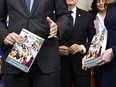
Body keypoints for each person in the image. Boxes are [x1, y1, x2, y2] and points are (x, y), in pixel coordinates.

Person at [0, 0, 70, 87]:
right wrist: (4, 35)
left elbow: (64, 15)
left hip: (47, 58)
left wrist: (58, 27)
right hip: (15, 56)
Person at [59, 0, 95, 87]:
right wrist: (57, 49)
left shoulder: (87, 16)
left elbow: (94, 41)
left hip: (81, 67)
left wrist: (82, 47)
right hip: (60, 67)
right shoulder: (55, 16)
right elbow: (48, 40)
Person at [82, 0, 116, 87]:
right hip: (109, 62)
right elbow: (105, 35)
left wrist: (113, 50)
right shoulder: (110, 6)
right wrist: (91, 55)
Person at [89, 0, 107, 87]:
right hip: (96, 54)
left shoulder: (112, 16)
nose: (100, 3)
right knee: (99, 80)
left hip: (111, 51)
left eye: (103, 0)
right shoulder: (91, 17)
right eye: (98, 1)